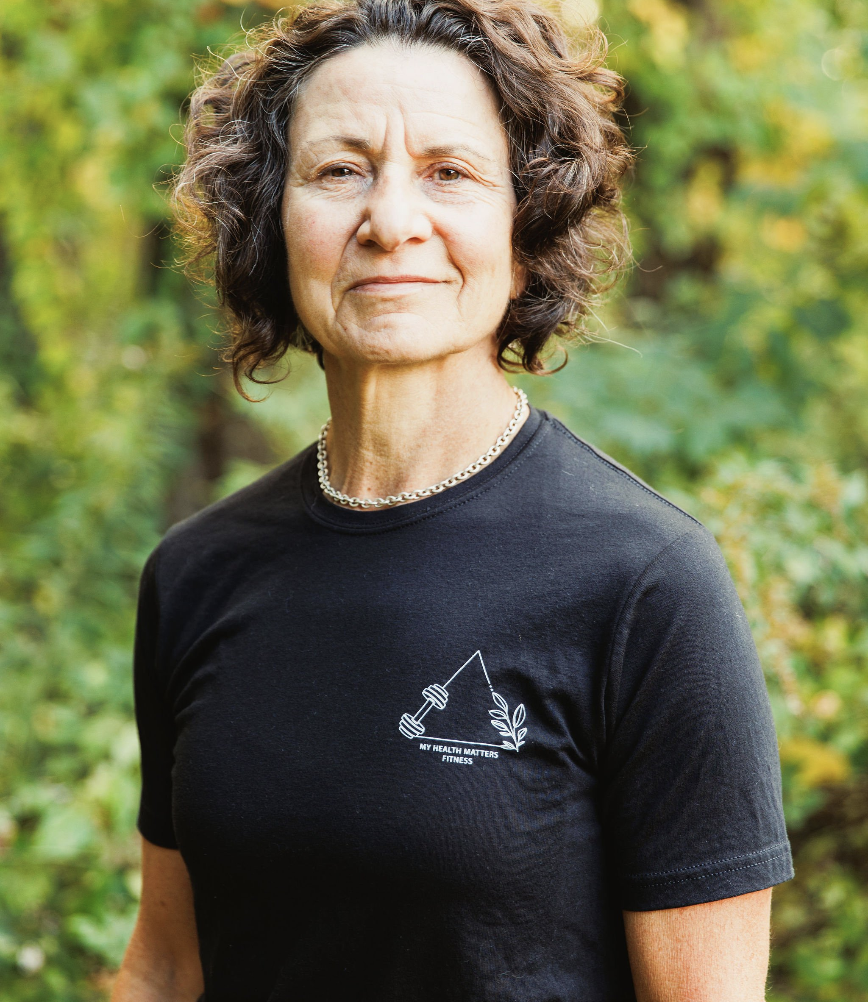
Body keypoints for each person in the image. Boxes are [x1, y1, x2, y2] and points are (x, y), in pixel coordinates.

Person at [112, 0, 793, 1000]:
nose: (391, 222)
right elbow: (166, 970)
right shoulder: (196, 573)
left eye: (449, 172)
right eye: (340, 170)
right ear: (272, 216)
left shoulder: (643, 584)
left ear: (526, 222)